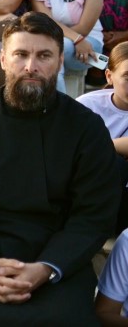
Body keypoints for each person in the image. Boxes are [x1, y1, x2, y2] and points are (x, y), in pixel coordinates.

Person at [0, 12, 120, 326]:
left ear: (59, 62)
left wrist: (47, 267)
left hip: (57, 255)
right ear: (3, 59)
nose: (31, 66)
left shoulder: (86, 127)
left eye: (44, 56)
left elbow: (93, 213)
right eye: (21, 55)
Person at [78, 42, 128, 236]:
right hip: (90, 197)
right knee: (114, 163)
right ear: (109, 76)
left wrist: (101, 146)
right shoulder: (87, 106)